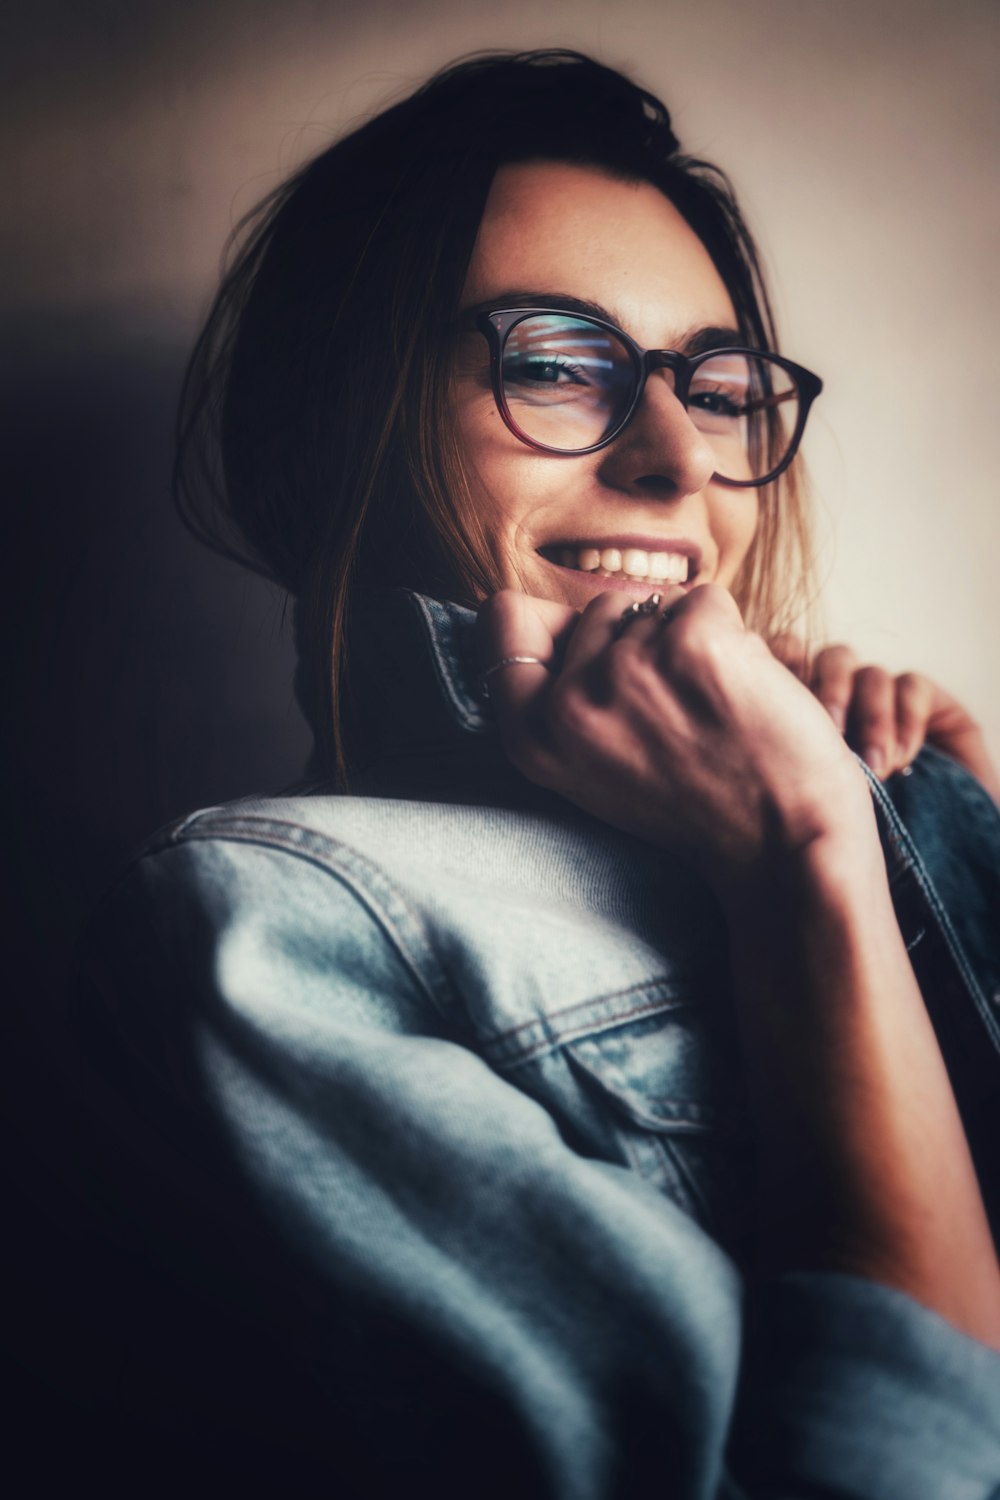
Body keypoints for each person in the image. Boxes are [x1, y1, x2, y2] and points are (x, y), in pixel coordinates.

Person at [80, 50, 1000, 1498]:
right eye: (558, 366)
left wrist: (943, 870)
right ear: (343, 429)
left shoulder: (865, 782)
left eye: (718, 387)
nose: (675, 459)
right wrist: (808, 859)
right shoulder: (261, 923)